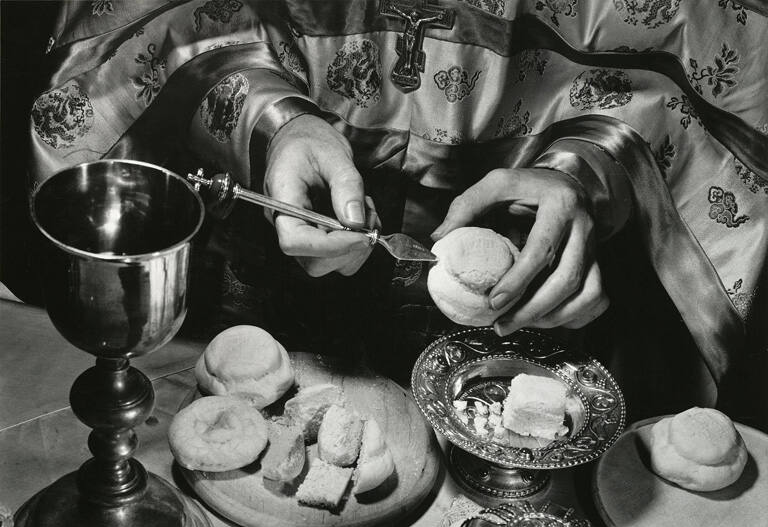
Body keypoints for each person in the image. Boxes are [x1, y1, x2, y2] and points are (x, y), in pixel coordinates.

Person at [29, 0, 766, 428]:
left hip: (539, 315)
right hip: (252, 271)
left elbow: (688, 50)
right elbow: (154, 23)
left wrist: (593, 168)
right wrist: (271, 120)